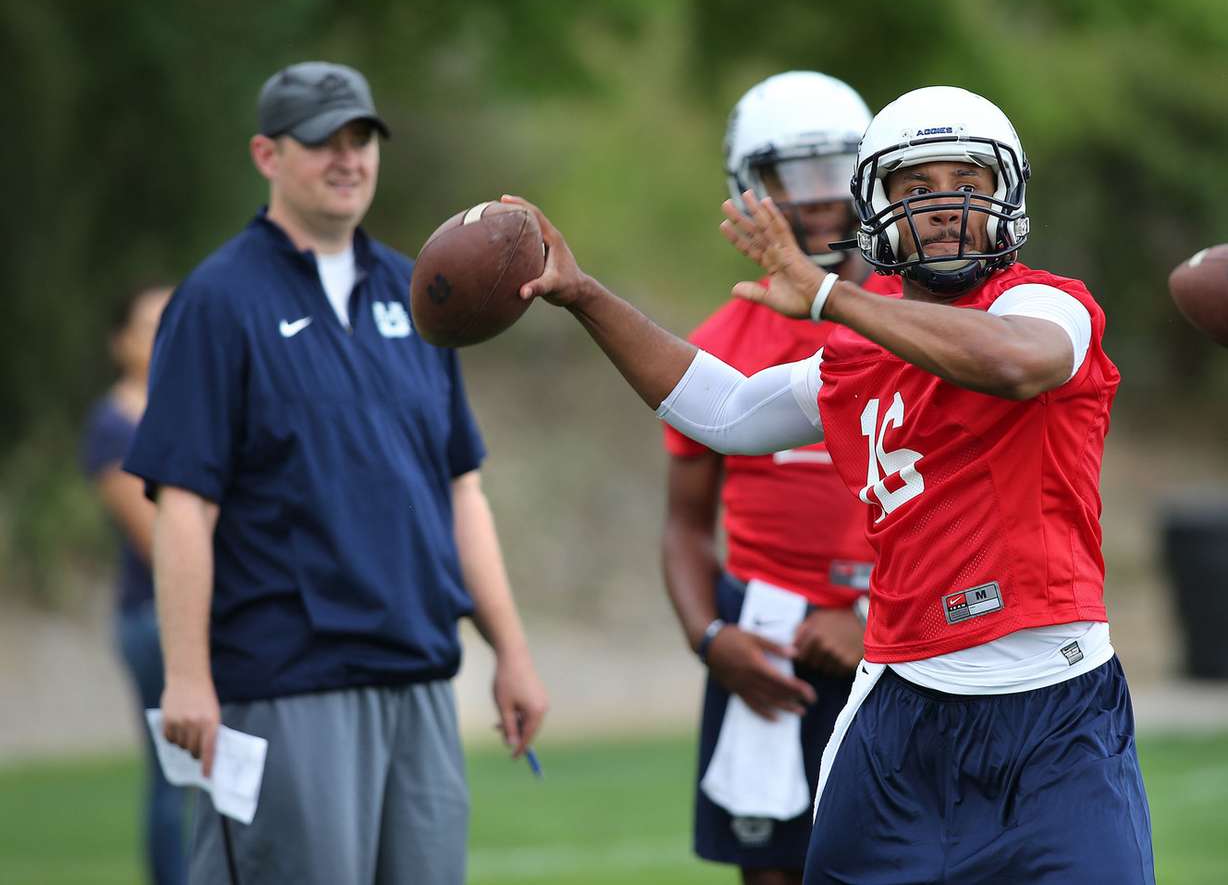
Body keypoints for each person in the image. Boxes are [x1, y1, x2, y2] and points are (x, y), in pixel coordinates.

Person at [504, 84, 1154, 883]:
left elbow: (1020, 362)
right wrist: (585, 294)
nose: (943, 204)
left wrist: (827, 297)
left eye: (968, 181)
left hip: (1057, 709)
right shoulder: (854, 361)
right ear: (876, 208)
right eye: (916, 186)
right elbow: (726, 409)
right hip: (901, 710)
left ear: (1006, 199)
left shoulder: (1047, 305)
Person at [124, 61, 549, 885]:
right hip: (287, 681)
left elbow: (462, 488)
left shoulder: (424, 291)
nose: (347, 157)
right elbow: (183, 506)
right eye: (321, 140)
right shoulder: (217, 301)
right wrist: (186, 676)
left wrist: (512, 649)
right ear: (266, 155)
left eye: (361, 138)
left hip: (421, 674)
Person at [662, 72, 887, 885]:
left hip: (909, 636)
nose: (821, 202)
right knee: (774, 872)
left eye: (838, 173)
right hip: (768, 637)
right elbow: (686, 525)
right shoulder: (719, 339)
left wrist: (875, 620)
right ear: (745, 188)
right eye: (793, 179)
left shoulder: (922, 320)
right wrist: (711, 637)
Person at [81, 283, 185, 885]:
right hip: (155, 618)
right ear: (121, 344)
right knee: (178, 775)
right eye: (151, 326)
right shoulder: (114, 425)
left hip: (216, 612)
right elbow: (156, 536)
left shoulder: (196, 407)